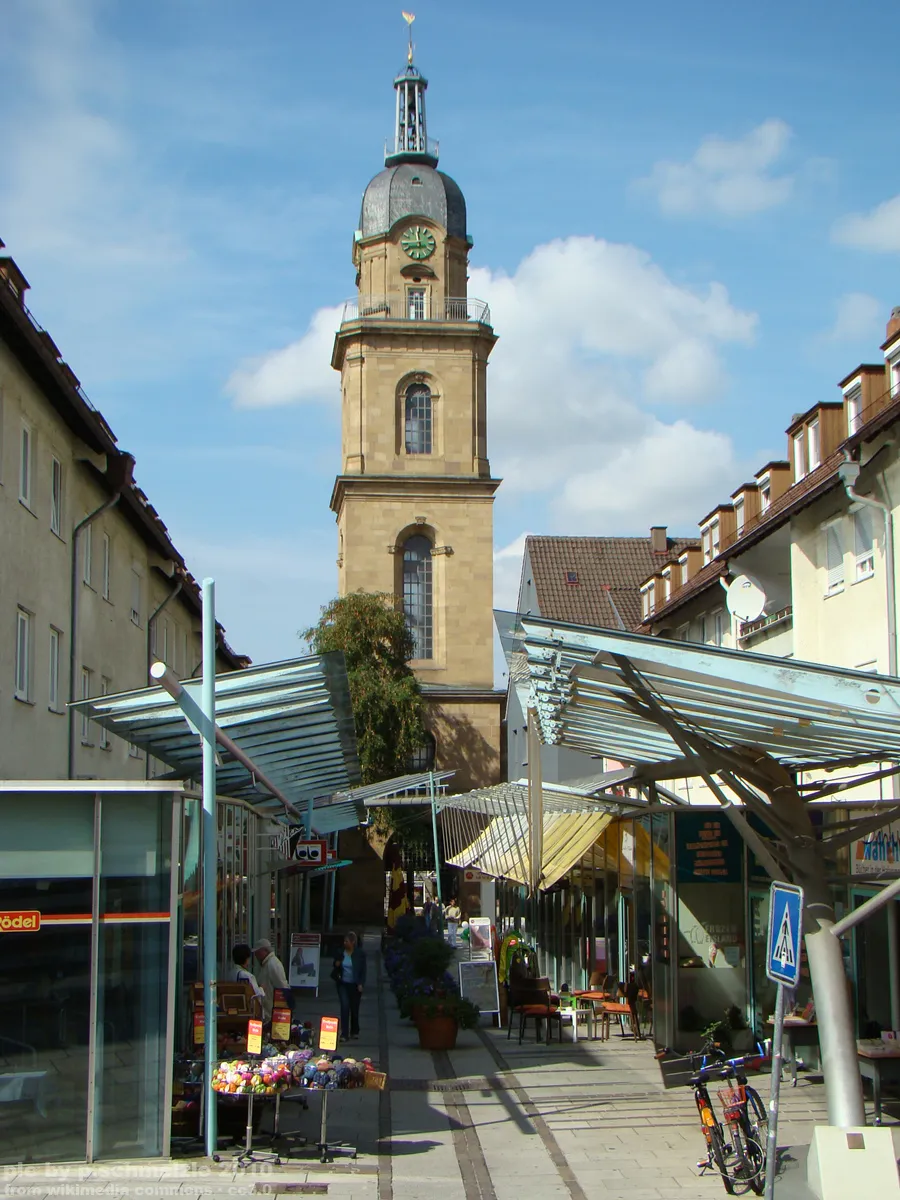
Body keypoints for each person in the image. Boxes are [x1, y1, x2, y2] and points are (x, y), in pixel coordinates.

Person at [331, 932, 367, 1042]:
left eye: (347, 941)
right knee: (345, 1006)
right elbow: (335, 964)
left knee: (354, 1008)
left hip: (355, 985)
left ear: (353, 942)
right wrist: (336, 964)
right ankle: (344, 1033)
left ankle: (355, 1030)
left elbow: (363, 970)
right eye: (344, 941)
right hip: (343, 983)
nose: (345, 943)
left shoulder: (359, 954)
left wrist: (361, 983)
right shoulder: (341, 952)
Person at [252, 938, 290, 1021]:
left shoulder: (273, 964)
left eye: (257, 952)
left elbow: (282, 987)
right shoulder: (266, 964)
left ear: (265, 951)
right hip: (268, 1010)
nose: (256, 956)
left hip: (272, 1011)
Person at [231, 943, 265, 1010]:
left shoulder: (230, 973)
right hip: (246, 1010)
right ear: (245, 959)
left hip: (232, 1007)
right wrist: (262, 988)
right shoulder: (248, 976)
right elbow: (256, 994)